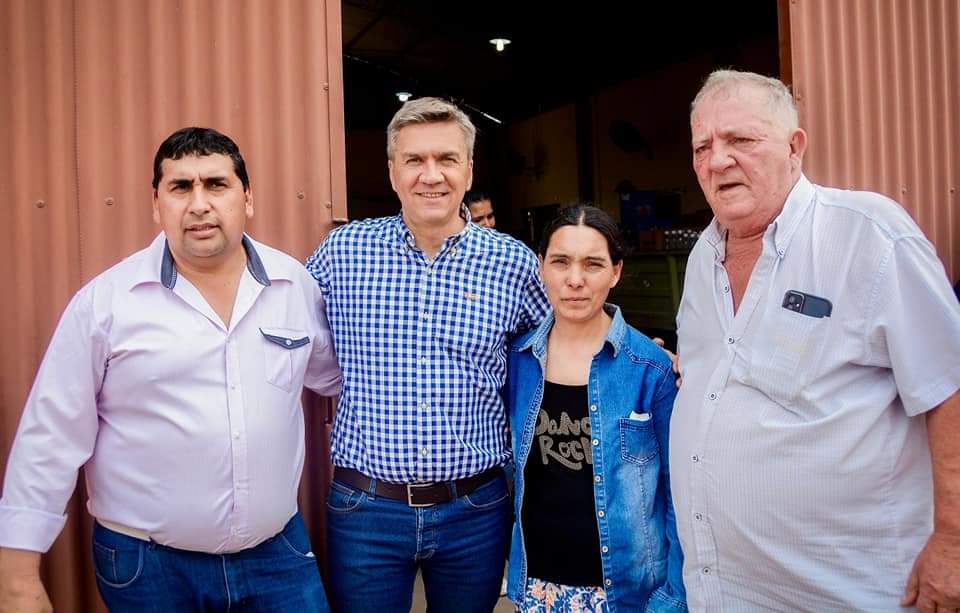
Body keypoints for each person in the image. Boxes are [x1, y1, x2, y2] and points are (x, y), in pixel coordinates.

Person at [0, 127, 341, 612]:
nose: (199, 204)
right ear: (156, 204)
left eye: (216, 185)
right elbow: (50, 434)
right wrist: (16, 576)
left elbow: (336, 376)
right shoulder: (107, 303)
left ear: (247, 198)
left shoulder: (293, 287)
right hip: (149, 566)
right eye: (181, 187)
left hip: (277, 555)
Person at [671, 69, 960, 611]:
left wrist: (955, 542)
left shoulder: (868, 234)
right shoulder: (700, 260)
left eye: (741, 140)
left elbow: (950, 386)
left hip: (848, 593)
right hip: (723, 593)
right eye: (702, 146)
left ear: (795, 147)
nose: (717, 161)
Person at [305, 97, 550, 612]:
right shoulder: (342, 252)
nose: (431, 176)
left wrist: (647, 359)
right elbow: (276, 324)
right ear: (392, 171)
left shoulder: (514, 264)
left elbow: (564, 342)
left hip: (476, 508)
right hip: (366, 506)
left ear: (469, 168)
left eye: (446, 159)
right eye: (414, 160)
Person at [505, 205, 686, 613]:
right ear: (541, 267)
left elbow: (680, 496)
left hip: (626, 591)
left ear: (616, 272)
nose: (575, 280)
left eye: (593, 264)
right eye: (561, 262)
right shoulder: (518, 361)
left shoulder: (651, 370)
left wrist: (673, 596)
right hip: (537, 586)